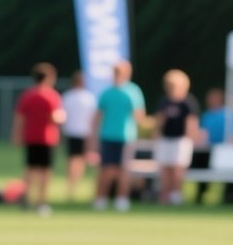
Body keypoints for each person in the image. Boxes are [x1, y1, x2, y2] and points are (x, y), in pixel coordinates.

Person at [90, 61, 144, 212]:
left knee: (124, 169)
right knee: (106, 169)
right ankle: (101, 198)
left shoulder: (133, 91)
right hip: (108, 135)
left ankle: (122, 199)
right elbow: (98, 117)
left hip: (126, 137)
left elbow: (139, 115)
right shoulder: (107, 92)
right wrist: (93, 139)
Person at [11, 62, 64, 215]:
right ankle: (42, 201)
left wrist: (16, 134)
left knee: (30, 169)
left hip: (30, 137)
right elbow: (55, 117)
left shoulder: (27, 95)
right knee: (45, 171)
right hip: (47, 138)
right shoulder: (51, 96)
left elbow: (19, 118)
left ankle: (26, 197)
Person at [152, 70, 200, 206]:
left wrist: (192, 139)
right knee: (165, 169)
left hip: (181, 140)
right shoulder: (164, 102)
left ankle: (176, 195)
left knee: (177, 169)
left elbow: (191, 123)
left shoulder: (188, 103)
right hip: (165, 139)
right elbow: (159, 120)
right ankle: (164, 196)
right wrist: (156, 134)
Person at [59, 71, 97, 203]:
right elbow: (93, 119)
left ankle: (71, 186)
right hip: (83, 133)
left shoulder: (67, 96)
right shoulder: (89, 98)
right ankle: (73, 185)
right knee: (79, 161)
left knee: (72, 161)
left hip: (71, 132)